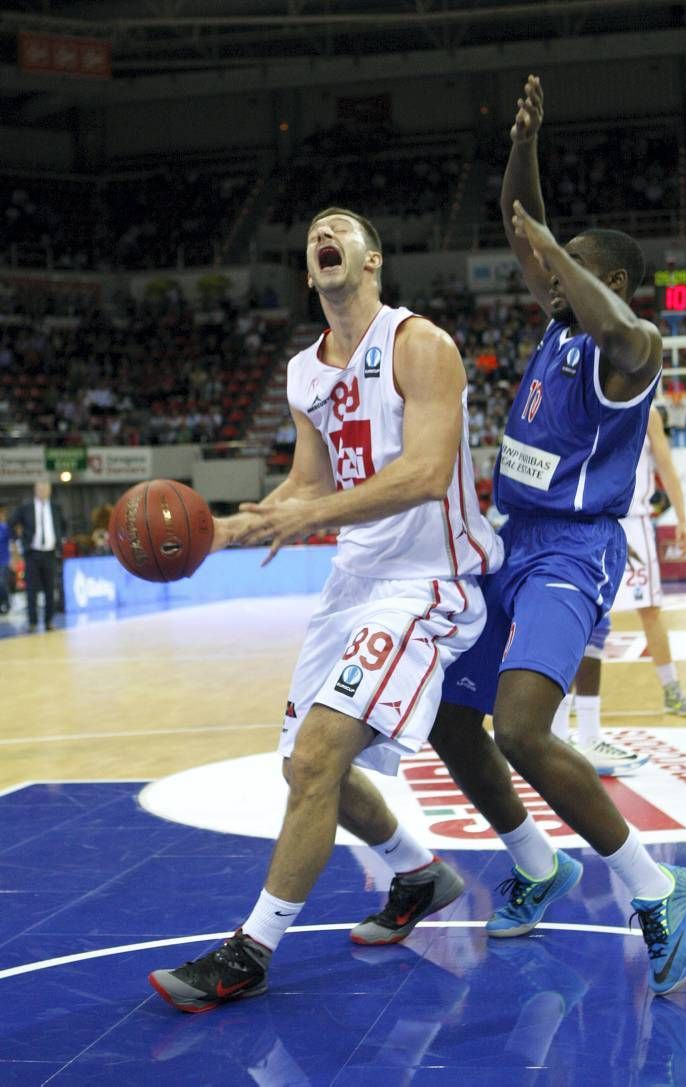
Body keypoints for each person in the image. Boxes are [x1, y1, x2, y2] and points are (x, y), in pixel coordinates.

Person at [361, 75, 686, 997]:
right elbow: (521, 219)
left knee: (520, 726)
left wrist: (555, 245)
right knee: (447, 717)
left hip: (571, 553)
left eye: (567, 265)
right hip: (509, 542)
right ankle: (535, 861)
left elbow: (618, 318)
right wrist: (524, 148)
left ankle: (655, 884)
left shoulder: (630, 352)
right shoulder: (557, 325)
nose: (545, 272)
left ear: (610, 280)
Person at [148, 206, 504, 1012]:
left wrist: (308, 515)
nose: (323, 236)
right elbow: (308, 483)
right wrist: (230, 525)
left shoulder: (422, 345)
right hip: (353, 584)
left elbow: (423, 472)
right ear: (310, 272)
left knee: (314, 758)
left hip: (430, 581)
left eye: (339, 229)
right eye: (313, 234)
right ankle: (417, 873)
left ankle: (250, 951)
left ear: (371, 259)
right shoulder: (303, 371)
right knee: (302, 768)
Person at [559, 403, 686, 778]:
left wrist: (682, 517)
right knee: (585, 618)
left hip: (633, 523)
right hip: (593, 521)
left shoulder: (647, 412)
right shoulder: (588, 402)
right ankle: (567, 710)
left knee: (648, 609)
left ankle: (670, 688)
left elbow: (666, 465)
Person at [9, 480, 65, 632]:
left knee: (50, 589)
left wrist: (60, 540)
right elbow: (11, 523)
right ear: (35, 490)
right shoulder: (26, 507)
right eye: (40, 489)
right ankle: (32, 622)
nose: (43, 492)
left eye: (46, 489)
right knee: (31, 590)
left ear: (50, 491)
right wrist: (17, 541)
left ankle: (49, 622)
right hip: (32, 553)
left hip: (50, 553)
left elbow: (63, 525)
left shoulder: (55, 507)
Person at [0, 501, 11, 614]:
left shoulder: (4, 527)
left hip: (3, 560)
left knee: (2, 582)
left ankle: (6, 603)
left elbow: (12, 542)